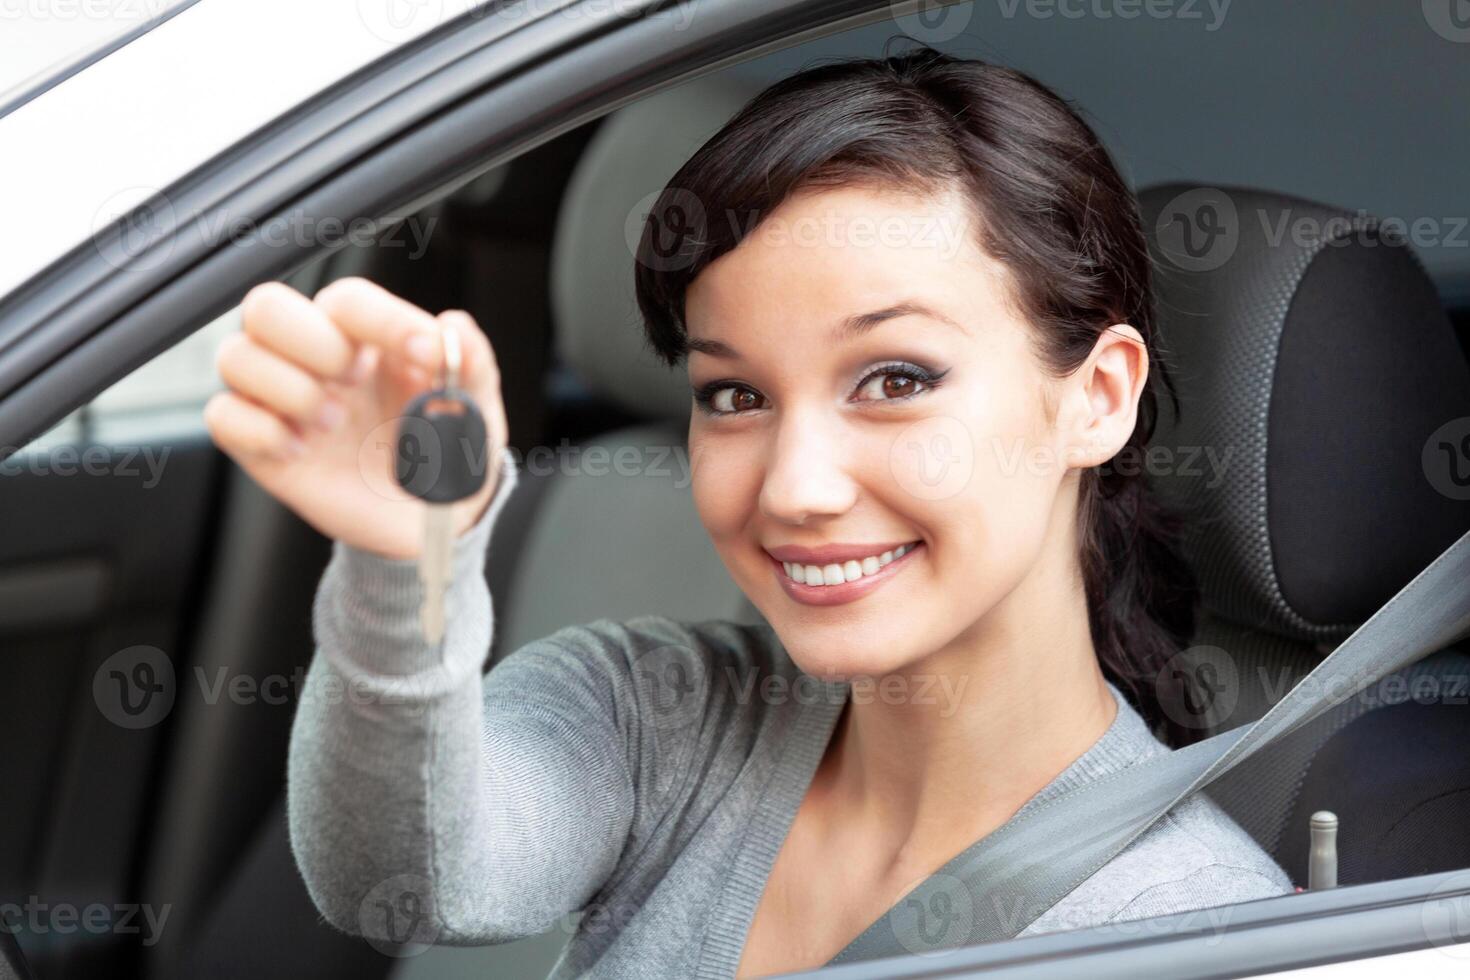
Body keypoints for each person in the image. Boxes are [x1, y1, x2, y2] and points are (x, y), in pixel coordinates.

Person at [205, 47, 1292, 979]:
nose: (794, 487)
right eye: (736, 395)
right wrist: (409, 556)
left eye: (896, 377)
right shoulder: (660, 714)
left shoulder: (1197, 926)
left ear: (1095, 397)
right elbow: (399, 873)